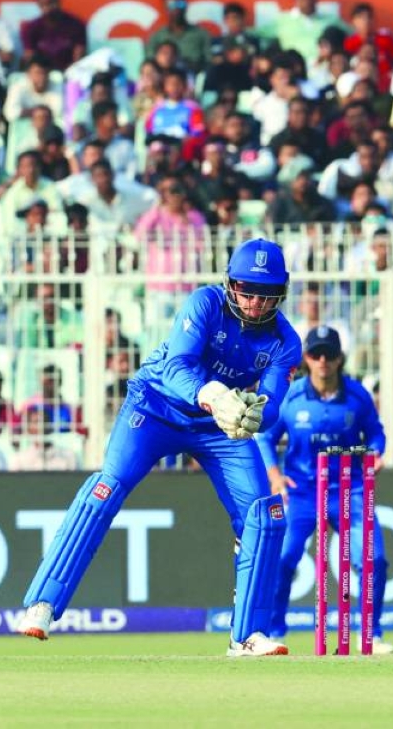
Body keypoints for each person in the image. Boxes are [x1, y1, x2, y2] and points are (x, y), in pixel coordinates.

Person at [15, 238, 302, 656]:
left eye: (266, 294)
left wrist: (257, 413)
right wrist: (213, 394)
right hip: (154, 407)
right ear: (230, 284)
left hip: (219, 425)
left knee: (264, 514)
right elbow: (177, 366)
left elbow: (273, 404)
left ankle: (247, 636)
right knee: (105, 489)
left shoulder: (284, 340)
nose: (256, 303)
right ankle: (42, 604)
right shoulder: (204, 304)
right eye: (247, 290)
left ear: (281, 294)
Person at [254, 325, 392, 651]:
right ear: (306, 359)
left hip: (350, 488)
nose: (323, 361)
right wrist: (274, 475)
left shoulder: (357, 396)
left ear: (340, 358)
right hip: (302, 490)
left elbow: (375, 434)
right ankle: (274, 632)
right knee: (284, 557)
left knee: (374, 559)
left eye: (329, 355)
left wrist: (375, 454)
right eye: (316, 354)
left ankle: (370, 634)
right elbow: (265, 437)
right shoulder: (291, 396)